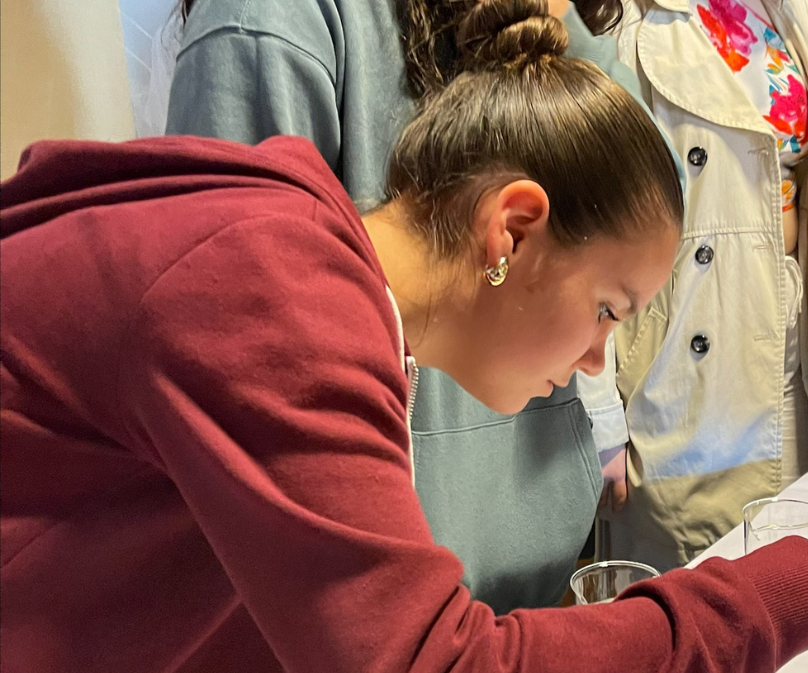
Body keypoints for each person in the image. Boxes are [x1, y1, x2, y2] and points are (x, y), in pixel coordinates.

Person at [0, 3, 808, 670]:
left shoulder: (313, 256)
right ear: (511, 229)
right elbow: (439, 659)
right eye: (608, 309)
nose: (601, 363)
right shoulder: (276, 299)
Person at [165, 0, 671, 613]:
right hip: (382, 609)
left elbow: (645, 215)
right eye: (604, 315)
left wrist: (565, 28)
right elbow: (250, 375)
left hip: (532, 579)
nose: (595, 357)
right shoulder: (272, 21)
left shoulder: (551, 19)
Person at [593, 0, 808, 570]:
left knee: (796, 563)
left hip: (794, 329)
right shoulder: (621, 18)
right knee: (695, 592)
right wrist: (598, 414)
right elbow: (584, 230)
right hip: (687, 352)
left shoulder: (791, 10)